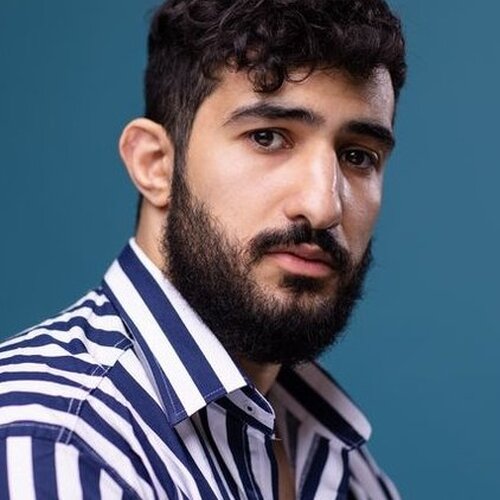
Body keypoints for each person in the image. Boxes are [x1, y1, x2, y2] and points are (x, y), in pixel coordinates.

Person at [0, 0, 406, 498]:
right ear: (155, 164)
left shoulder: (341, 463)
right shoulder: (56, 442)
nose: (323, 206)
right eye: (267, 137)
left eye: (358, 156)